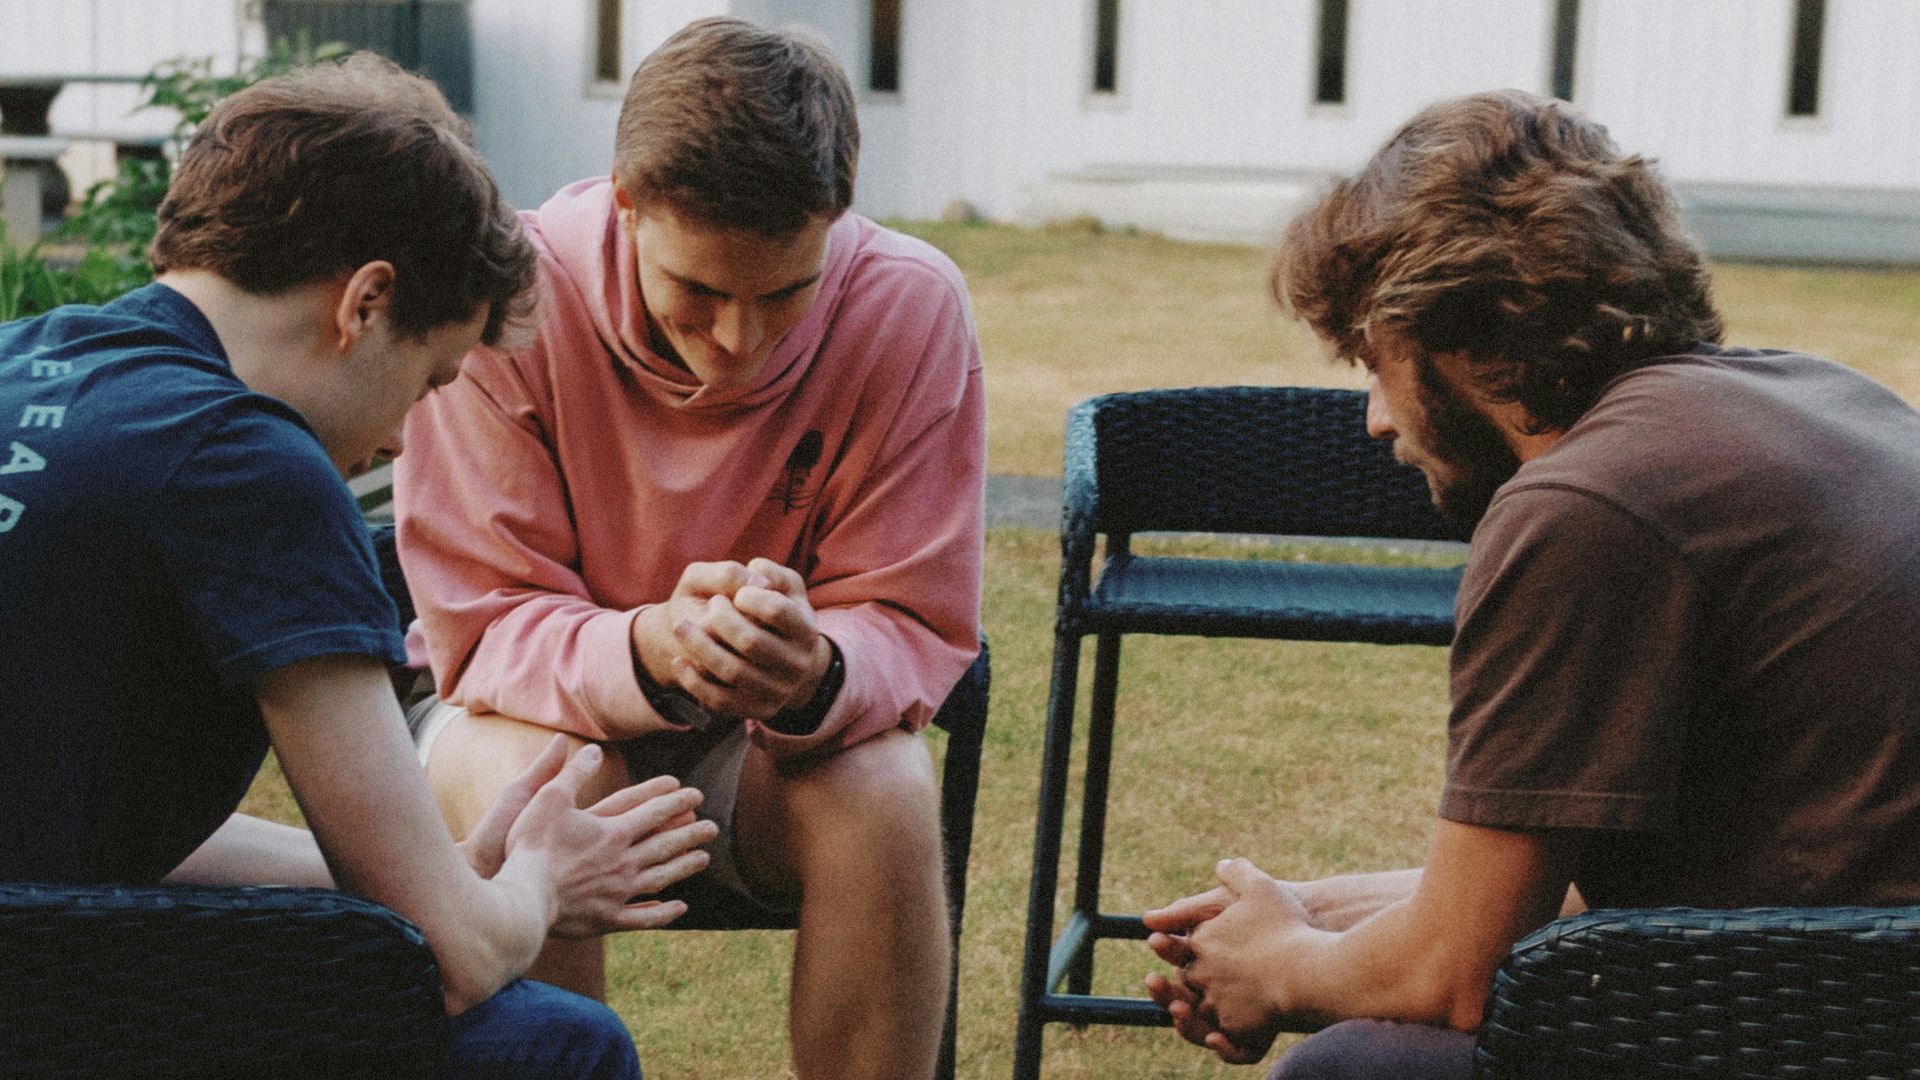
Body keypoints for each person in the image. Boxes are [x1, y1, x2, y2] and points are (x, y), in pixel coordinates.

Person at [1141, 89, 1920, 1079]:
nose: (1377, 418)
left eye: (1371, 360)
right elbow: (1572, 880)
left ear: (1454, 330)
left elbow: (1456, 972)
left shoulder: (1588, 503)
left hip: (1832, 1024)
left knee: (1355, 1071)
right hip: (1856, 974)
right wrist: (1306, 913)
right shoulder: (1809, 394)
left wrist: (1286, 971)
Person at [0, 54, 721, 1080]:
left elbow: (78, 835)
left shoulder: (25, 358)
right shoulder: (244, 460)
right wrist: (534, 889)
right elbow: (459, 962)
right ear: (367, 302)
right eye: (429, 381)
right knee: (560, 1045)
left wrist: (441, 876)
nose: (399, 441)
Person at [393, 17, 985, 1080]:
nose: (738, 342)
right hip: (502, 722)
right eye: (699, 293)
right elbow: (478, 631)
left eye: (784, 295)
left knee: (889, 788)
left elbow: (914, 615)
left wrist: (817, 672)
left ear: (836, 223)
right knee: (551, 777)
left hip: (757, 752)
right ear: (628, 205)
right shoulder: (512, 298)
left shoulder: (909, 306)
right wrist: (655, 647)